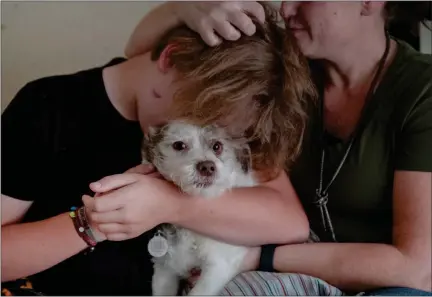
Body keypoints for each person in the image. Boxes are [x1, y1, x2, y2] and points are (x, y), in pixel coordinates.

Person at [1, 3, 316, 296]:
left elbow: (290, 222)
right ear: (171, 58)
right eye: (204, 115)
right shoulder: (47, 108)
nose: (209, 135)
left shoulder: (230, 118)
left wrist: (168, 203)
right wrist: (93, 224)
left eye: (220, 135)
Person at [124, 1, 432, 296]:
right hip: (285, 270)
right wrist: (182, 8)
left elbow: (417, 270)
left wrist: (260, 257)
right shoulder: (280, 73)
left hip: (390, 285)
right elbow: (137, 54)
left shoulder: (422, 92)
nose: (286, 8)